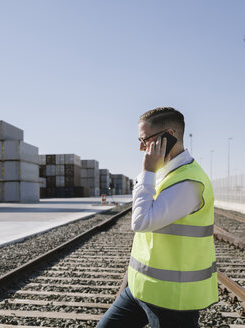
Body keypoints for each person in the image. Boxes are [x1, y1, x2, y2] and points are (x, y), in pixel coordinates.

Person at [97, 107, 218, 328]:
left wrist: (147, 172)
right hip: (139, 289)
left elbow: (141, 222)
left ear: (169, 136)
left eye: (145, 140)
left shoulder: (188, 182)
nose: (141, 147)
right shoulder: (167, 173)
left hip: (171, 298)